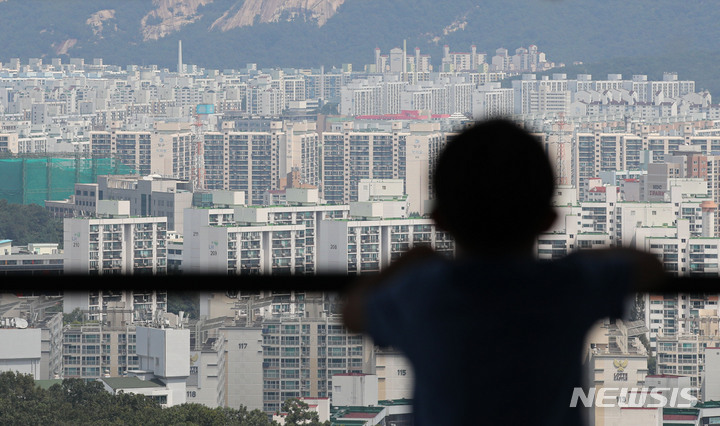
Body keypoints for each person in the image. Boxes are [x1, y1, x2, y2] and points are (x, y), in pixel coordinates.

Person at [341, 119, 668, 425]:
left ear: (438, 220)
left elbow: (352, 313)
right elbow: (649, 265)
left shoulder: (423, 292)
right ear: (549, 221)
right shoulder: (566, 285)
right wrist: (576, 258)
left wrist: (411, 257)